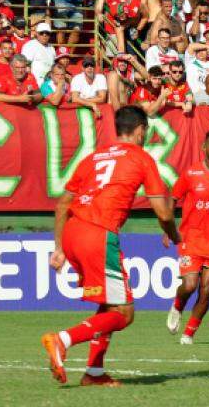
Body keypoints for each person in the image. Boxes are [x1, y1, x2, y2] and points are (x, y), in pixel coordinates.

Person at [40, 105, 181, 387]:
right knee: (123, 313)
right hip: (98, 234)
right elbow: (164, 212)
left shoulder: (92, 158)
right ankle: (62, 340)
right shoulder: (141, 158)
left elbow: (63, 204)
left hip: (72, 232)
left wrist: (58, 248)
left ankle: (94, 373)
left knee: (108, 306)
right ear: (141, 131)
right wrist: (175, 235)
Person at [166, 129, 209, 344]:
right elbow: (172, 198)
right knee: (190, 285)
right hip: (192, 238)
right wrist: (168, 228)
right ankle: (178, 305)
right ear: (204, 148)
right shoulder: (191, 173)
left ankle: (189, 333)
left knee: (206, 289)